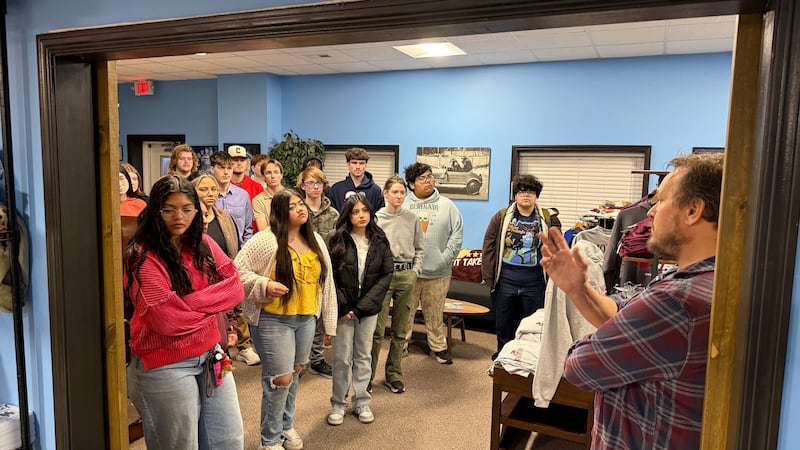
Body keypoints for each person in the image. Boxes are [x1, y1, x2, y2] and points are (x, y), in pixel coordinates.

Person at [538, 153, 723, 450]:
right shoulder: (704, 278)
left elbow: (578, 367)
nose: (649, 213)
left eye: (660, 202)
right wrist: (577, 288)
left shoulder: (676, 301)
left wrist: (604, 336)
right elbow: (619, 314)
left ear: (693, 210)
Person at [124, 175, 245, 450]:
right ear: (155, 210)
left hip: (211, 354)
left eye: (187, 208)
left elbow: (236, 288)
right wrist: (211, 308)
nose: (179, 216)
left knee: (228, 440)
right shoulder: (141, 255)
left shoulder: (203, 244)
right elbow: (166, 320)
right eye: (169, 209)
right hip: (165, 362)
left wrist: (186, 302)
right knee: (180, 445)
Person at [234, 189, 337, 450]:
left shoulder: (314, 239)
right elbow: (236, 272)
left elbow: (327, 284)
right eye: (293, 206)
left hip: (305, 319)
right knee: (280, 379)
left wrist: (330, 324)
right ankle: (269, 439)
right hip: (272, 320)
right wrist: (264, 284)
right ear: (280, 212)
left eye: (301, 204)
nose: (301, 209)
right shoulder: (265, 240)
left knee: (295, 373)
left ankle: (285, 427)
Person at [325, 193, 393, 426]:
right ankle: (338, 403)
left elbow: (386, 275)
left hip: (368, 309)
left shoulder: (380, 239)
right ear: (348, 215)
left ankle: (362, 401)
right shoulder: (335, 239)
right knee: (342, 358)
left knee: (363, 355)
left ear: (371, 213)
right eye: (356, 212)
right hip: (343, 309)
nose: (361, 215)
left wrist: (362, 308)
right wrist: (345, 307)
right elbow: (330, 277)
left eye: (365, 211)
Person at [482, 174, 561, 359]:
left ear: (537, 196)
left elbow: (557, 248)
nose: (526, 195)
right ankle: (503, 357)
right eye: (522, 191)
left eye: (531, 192)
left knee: (531, 325)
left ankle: (526, 359)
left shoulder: (548, 218)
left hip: (535, 283)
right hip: (505, 281)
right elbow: (489, 245)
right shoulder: (501, 217)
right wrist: (488, 276)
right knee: (504, 323)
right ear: (515, 194)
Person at [192, 173, 261, 366]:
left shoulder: (224, 216)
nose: (210, 193)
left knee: (236, 309)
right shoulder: (191, 218)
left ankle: (243, 347)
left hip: (225, 271)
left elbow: (234, 243)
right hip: (203, 277)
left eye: (213, 189)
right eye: (203, 189)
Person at [403, 162, 463, 364]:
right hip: (409, 272)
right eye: (422, 178)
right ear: (411, 184)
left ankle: (438, 347)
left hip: (438, 272)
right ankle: (401, 345)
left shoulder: (448, 205)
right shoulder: (403, 205)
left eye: (430, 176)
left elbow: (457, 234)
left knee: (435, 313)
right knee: (405, 312)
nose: (428, 181)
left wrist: (445, 259)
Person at [370, 175, 424, 394]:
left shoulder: (412, 218)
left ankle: (393, 375)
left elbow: (420, 248)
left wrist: (415, 272)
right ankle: (367, 376)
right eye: (395, 192)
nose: (399, 196)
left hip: (406, 276)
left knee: (400, 330)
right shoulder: (376, 219)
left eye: (402, 192)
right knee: (376, 330)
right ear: (385, 193)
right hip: (383, 277)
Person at [296, 166, 340, 379]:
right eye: (310, 183)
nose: (314, 187)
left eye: (319, 183)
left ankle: (317, 359)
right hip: (300, 271)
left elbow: (339, 245)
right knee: (302, 317)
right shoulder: (296, 209)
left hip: (324, 272)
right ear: (302, 185)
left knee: (321, 318)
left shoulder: (333, 214)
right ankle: (300, 360)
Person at [210, 151, 253, 246]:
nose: (226, 172)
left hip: (238, 252)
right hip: (213, 252)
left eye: (229, 168)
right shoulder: (207, 196)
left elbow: (248, 229)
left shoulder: (243, 195)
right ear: (212, 169)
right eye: (221, 168)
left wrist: (243, 252)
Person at [328, 147, 384, 212]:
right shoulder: (336, 189)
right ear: (348, 164)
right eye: (354, 163)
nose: (358, 167)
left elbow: (379, 217)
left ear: (365, 165)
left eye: (361, 163)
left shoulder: (375, 191)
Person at [252, 159, 286, 232]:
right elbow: (263, 230)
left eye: (276, 172)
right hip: (270, 241)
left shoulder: (292, 196)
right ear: (263, 177)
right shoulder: (258, 200)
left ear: (281, 175)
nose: (273, 176)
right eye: (268, 173)